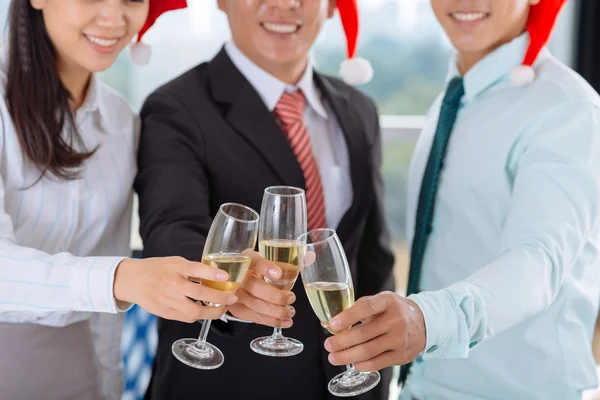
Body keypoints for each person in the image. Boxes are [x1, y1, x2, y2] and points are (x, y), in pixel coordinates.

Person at [321, 0, 600, 399]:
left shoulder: (567, 109)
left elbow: (538, 260)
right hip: (424, 386)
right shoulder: (457, 95)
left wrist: (426, 319)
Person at [134, 0, 396, 399]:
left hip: (347, 384)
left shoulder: (358, 110)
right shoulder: (176, 107)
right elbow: (171, 231)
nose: (285, 4)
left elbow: (373, 256)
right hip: (227, 381)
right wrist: (228, 285)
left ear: (330, 8)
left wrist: (382, 363)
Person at [0, 1, 258, 398]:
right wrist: (120, 278)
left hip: (76, 368)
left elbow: (106, 290)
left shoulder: (121, 122)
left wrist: (109, 383)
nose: (114, 18)